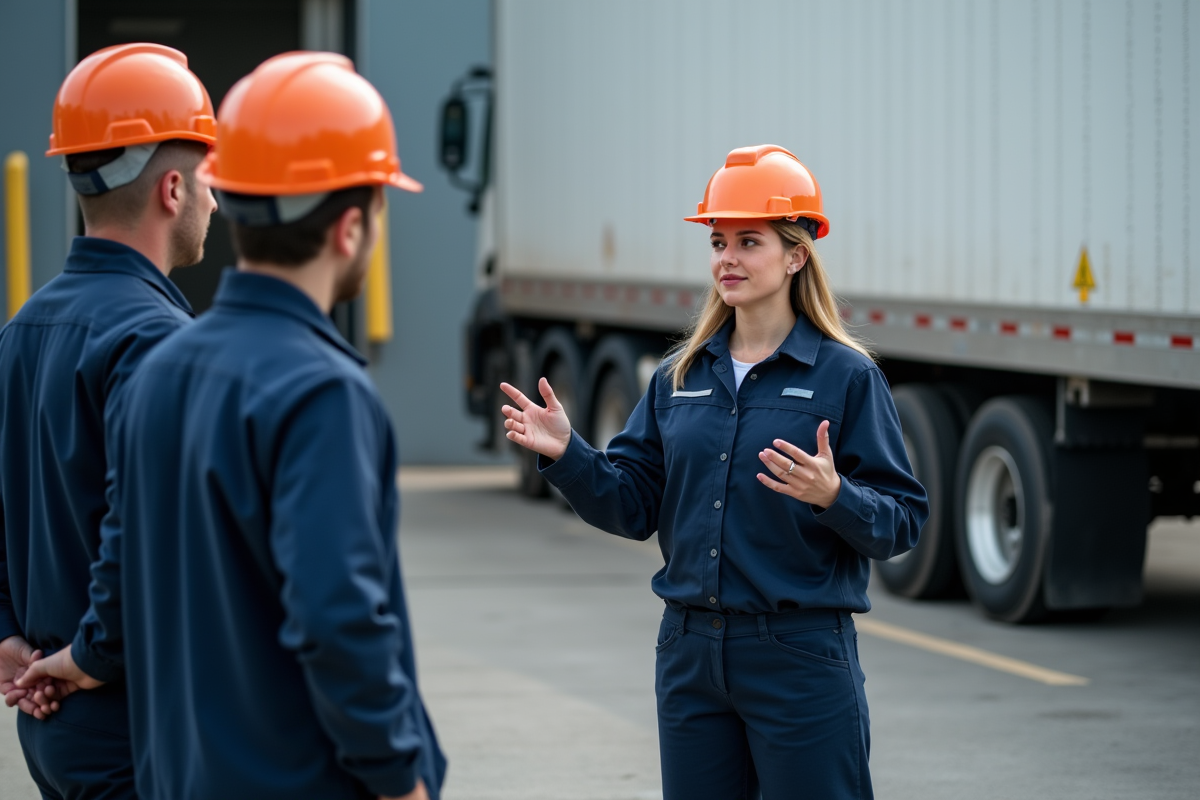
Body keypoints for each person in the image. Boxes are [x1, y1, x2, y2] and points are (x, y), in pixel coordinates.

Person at [20, 51, 444, 800]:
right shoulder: (323, 391)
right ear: (352, 228)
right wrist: (397, 776)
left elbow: (114, 549)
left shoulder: (162, 370)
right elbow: (337, 617)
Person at [500, 144, 929, 800]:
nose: (726, 258)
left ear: (796, 253)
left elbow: (902, 522)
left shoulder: (846, 377)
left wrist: (835, 495)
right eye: (718, 241)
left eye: (748, 241)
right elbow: (634, 506)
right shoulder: (680, 377)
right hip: (690, 655)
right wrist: (570, 455)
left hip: (799, 658)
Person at [0, 43, 216, 800]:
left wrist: (8, 640)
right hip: (137, 724)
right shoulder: (158, 341)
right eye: (209, 180)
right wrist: (92, 655)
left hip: (50, 721)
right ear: (170, 189)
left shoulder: (23, 329)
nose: (216, 202)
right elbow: (150, 529)